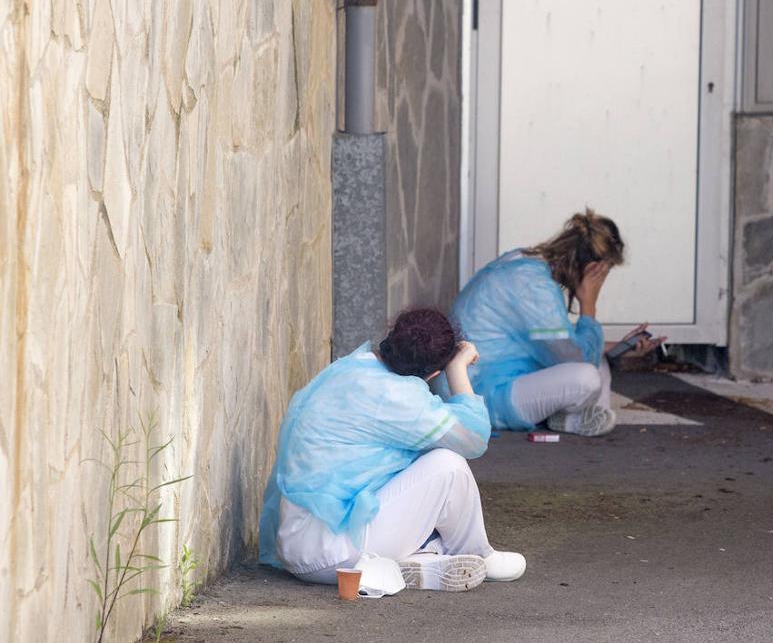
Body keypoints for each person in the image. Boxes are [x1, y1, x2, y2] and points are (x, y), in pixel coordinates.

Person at [258, 308, 525, 592]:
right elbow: (473, 439)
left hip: (297, 544)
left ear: (391, 336)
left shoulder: (351, 366)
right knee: (448, 464)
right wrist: (457, 368)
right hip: (334, 553)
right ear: (435, 372)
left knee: (417, 463)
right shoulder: (401, 397)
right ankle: (476, 554)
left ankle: (419, 561)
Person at [450, 209, 665, 436]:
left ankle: (572, 419)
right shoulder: (534, 286)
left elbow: (557, 342)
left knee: (595, 361)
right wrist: (589, 305)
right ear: (593, 269)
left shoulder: (525, 263)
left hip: (495, 377)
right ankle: (573, 419)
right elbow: (572, 357)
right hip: (481, 394)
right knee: (587, 377)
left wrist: (623, 347)